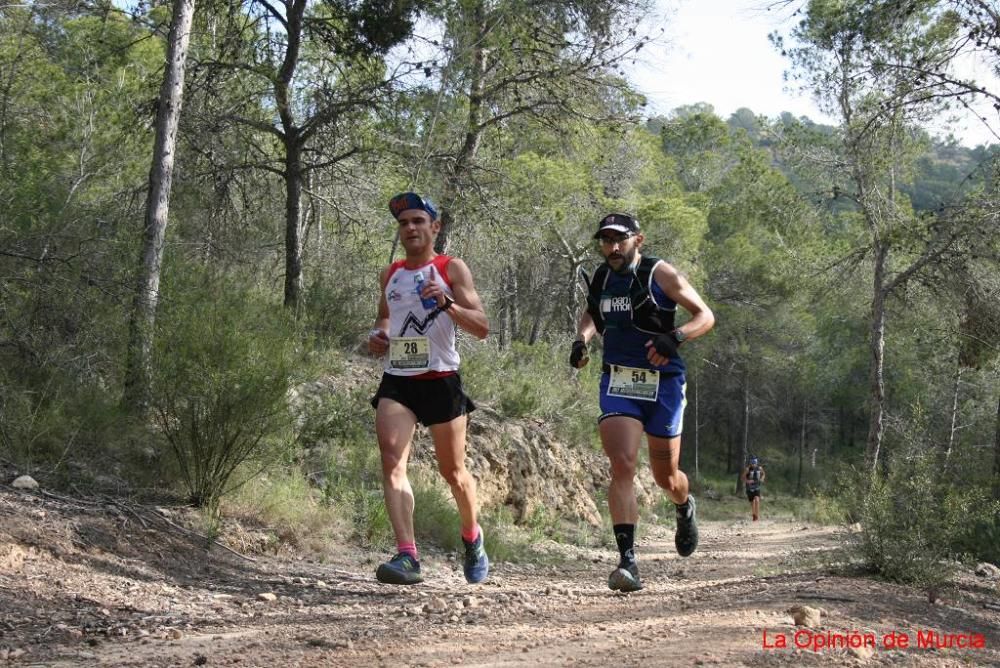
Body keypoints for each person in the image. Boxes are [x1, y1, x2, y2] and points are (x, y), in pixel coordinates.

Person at [570, 213, 715, 592]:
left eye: (619, 240)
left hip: (664, 383)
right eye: (605, 240)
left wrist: (677, 337)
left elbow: (705, 315)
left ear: (639, 240)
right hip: (618, 380)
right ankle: (628, 561)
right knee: (622, 464)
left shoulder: (660, 274)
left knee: (666, 477)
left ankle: (684, 506)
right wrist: (582, 340)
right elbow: (591, 312)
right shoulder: (602, 277)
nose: (612, 248)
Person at [367, 192, 490, 585]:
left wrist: (448, 304)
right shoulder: (391, 274)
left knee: (452, 471)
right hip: (399, 379)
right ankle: (407, 556)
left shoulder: (450, 268)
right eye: (404, 223)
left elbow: (482, 327)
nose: (410, 229)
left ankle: (472, 537)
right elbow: (385, 318)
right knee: (391, 460)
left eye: (418, 221)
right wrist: (379, 337)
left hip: (441, 379)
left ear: (435, 227)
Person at [743, 455, 766, 522]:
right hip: (749, 488)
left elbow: (764, 474)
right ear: (750, 463)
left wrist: (762, 478)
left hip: (757, 487)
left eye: (755, 462)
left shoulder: (760, 468)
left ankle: (757, 516)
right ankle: (754, 515)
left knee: (757, 500)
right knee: (752, 502)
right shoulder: (748, 469)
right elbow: (742, 478)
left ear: (757, 462)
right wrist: (748, 481)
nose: (753, 464)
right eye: (752, 463)